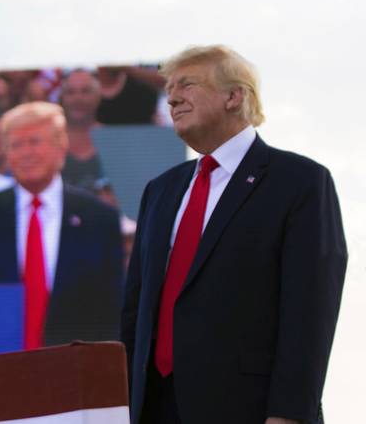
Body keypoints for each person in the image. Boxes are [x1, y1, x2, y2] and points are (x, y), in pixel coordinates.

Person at [121, 46, 347, 424]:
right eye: (169, 88)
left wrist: (288, 414)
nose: (173, 97)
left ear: (234, 95)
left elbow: (311, 312)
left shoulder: (299, 181)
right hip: (154, 409)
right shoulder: (159, 190)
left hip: (248, 408)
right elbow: (135, 310)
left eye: (187, 84)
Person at [0, 102, 124, 347]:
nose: (26, 153)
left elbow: (111, 306)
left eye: (35, 141)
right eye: (16, 145)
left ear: (61, 147)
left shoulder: (99, 218)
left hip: (75, 368)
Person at [60, 69, 107, 192]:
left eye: (85, 91)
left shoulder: (112, 141)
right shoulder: (50, 141)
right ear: (62, 98)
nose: (78, 98)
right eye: (70, 92)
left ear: (98, 96)